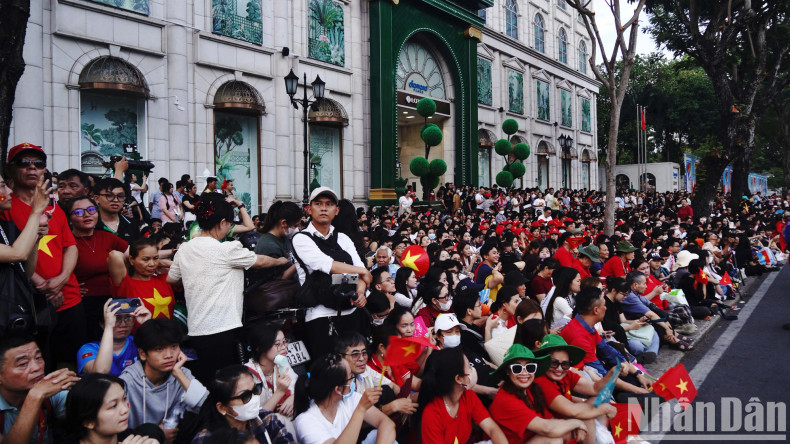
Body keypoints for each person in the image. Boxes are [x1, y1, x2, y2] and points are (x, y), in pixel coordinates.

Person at [167, 193, 290, 382]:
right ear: (223, 222)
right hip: (224, 328)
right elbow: (261, 261)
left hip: (197, 330)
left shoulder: (185, 248)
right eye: (230, 224)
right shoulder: (226, 249)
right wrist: (279, 260)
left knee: (209, 380)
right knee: (229, 383)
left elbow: (172, 278)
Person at [2, 142, 85, 370]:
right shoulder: (6, 207)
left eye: (38, 164)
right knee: (40, 366)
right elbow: (14, 255)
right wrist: (43, 286)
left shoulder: (54, 206)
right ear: (10, 169)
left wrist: (61, 280)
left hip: (69, 298)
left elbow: (70, 246)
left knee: (72, 363)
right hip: (32, 302)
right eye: (24, 163)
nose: (32, 169)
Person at [291, 187, 372, 356]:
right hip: (321, 315)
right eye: (318, 203)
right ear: (309, 209)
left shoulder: (343, 238)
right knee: (329, 371)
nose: (323, 208)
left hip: (351, 312)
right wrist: (361, 271)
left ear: (337, 210)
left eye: (329, 204)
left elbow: (361, 273)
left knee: (355, 367)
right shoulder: (301, 239)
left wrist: (360, 292)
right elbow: (326, 264)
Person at [119, 318, 209, 438]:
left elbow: (210, 410)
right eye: (159, 349)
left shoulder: (181, 374)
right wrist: (158, 435)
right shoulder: (128, 382)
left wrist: (179, 374)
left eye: (174, 346)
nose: (169, 355)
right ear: (143, 354)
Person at [489, 344, 588, 444]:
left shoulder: (531, 390)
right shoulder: (505, 399)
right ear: (508, 371)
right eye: (517, 368)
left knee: (568, 433)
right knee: (553, 439)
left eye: (530, 367)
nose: (524, 373)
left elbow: (550, 420)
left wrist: (575, 426)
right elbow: (547, 428)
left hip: (533, 438)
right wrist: (577, 423)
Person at [293, 353, 396, 444]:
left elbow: (387, 424)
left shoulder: (350, 398)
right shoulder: (306, 421)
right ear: (338, 389)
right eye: (350, 377)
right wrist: (360, 410)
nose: (353, 381)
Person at [533, 335, 617, 444]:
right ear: (544, 361)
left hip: (563, 421)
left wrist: (613, 373)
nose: (559, 368)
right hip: (549, 429)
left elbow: (595, 388)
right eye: (553, 363)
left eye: (565, 364)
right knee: (587, 415)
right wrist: (603, 409)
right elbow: (572, 411)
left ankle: (604, 439)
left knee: (597, 401)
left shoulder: (566, 374)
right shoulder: (541, 380)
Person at [0, 335, 80, 444]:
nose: (37, 367)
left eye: (38, 358)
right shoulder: (40, 392)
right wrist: (34, 397)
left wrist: (80, 385)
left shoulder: (50, 393)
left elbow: (94, 409)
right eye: (23, 364)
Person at [68, 196, 129, 338]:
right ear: (69, 219)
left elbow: (135, 254)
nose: (86, 215)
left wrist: (173, 252)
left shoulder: (107, 237)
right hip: (82, 303)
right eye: (78, 212)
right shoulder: (67, 241)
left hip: (113, 300)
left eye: (91, 210)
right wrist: (69, 286)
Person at [418, 348, 507, 444]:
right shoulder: (432, 414)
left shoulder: (468, 396)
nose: (473, 369)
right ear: (459, 379)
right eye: (469, 366)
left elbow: (492, 429)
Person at [191, 365, 296, 443]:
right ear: (222, 408)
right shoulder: (206, 439)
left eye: (256, 389)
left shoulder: (267, 420)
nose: (254, 398)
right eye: (245, 396)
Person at [63, 373, 159, 444]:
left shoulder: (130, 437)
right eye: (113, 406)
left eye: (124, 399)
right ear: (88, 422)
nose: (125, 410)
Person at [76, 298, 151, 376]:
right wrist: (109, 326)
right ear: (102, 324)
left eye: (128, 318)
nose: (123, 325)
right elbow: (100, 373)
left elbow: (161, 359)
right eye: (116, 318)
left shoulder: (138, 342)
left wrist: (147, 324)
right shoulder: (88, 349)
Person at [108, 237, 175, 320]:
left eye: (155, 258)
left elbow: (191, 272)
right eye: (146, 259)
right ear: (132, 259)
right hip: (140, 332)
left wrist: (167, 263)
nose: (152, 264)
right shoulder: (126, 283)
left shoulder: (165, 278)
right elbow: (114, 255)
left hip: (170, 332)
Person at [243, 324, 297, 419]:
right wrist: (279, 392)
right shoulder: (246, 375)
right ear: (259, 347)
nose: (284, 347)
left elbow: (299, 387)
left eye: (284, 342)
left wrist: (293, 397)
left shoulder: (282, 364)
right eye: (277, 344)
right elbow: (255, 419)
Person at [601, 277, 659, 364]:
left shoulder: (617, 302)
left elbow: (623, 321)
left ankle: (650, 353)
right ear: (613, 291)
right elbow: (610, 329)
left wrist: (639, 321)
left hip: (625, 330)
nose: (625, 297)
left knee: (653, 331)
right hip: (618, 335)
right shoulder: (604, 305)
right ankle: (642, 355)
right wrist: (631, 327)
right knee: (637, 346)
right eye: (623, 294)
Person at [253, 201, 301, 283]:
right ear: (284, 223)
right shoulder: (268, 245)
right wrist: (299, 262)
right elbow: (278, 280)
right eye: (295, 226)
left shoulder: (283, 237)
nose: (297, 229)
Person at [94, 178, 142, 244]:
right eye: (109, 195)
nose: (116, 200)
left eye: (120, 196)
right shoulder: (92, 225)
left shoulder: (131, 223)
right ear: (96, 198)